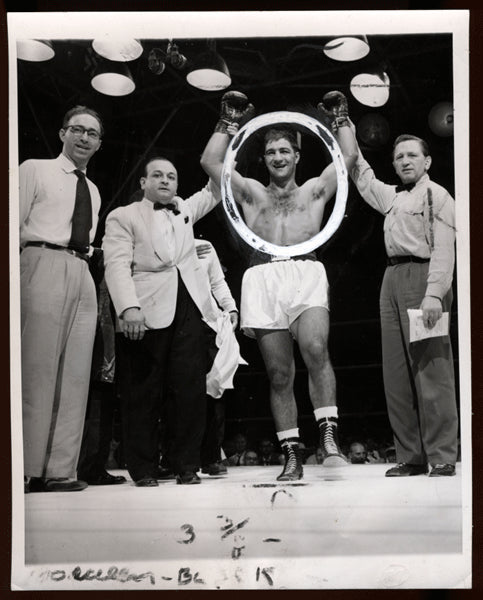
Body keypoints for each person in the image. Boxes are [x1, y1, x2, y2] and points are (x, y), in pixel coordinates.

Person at [200, 90, 358, 481]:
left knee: (316, 347)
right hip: (262, 273)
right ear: (264, 157)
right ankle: (291, 453)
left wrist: (340, 118)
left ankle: (329, 438)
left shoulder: (315, 191)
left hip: (306, 269)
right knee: (279, 373)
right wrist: (229, 121)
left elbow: (349, 157)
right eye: (271, 152)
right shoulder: (252, 193)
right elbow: (210, 161)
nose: (278, 158)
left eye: (285, 151)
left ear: (297, 156)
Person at [103, 155, 230, 486]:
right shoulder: (123, 216)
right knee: (142, 392)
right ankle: (143, 469)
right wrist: (128, 308)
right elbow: (116, 264)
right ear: (143, 182)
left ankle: (186, 465)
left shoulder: (183, 209)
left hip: (188, 306)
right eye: (156, 175)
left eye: (171, 176)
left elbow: (217, 188)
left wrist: (226, 133)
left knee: (190, 390)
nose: (164, 180)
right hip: (144, 309)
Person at [350, 121, 458, 477]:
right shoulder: (394, 198)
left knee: (431, 370)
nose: (405, 160)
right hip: (391, 279)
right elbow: (361, 175)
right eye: (399, 156)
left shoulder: (439, 195)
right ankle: (410, 457)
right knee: (395, 374)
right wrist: (344, 126)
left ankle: (441, 454)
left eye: (412, 154)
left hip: (424, 277)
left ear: (427, 161)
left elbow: (444, 251)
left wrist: (434, 294)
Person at [20, 105, 103, 493]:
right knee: (37, 370)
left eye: (93, 134)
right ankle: (24, 468)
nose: (85, 138)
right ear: (62, 133)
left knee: (75, 377)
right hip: (42, 260)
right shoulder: (34, 169)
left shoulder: (94, 189)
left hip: (81, 270)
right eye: (78, 130)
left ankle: (60, 471)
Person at [195, 238, 244, 476]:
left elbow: (217, 281)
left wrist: (230, 307)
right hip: (175, 323)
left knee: (213, 390)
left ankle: (211, 456)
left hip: (208, 323)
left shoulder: (204, 247)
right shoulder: (160, 244)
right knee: (178, 392)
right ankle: (178, 457)